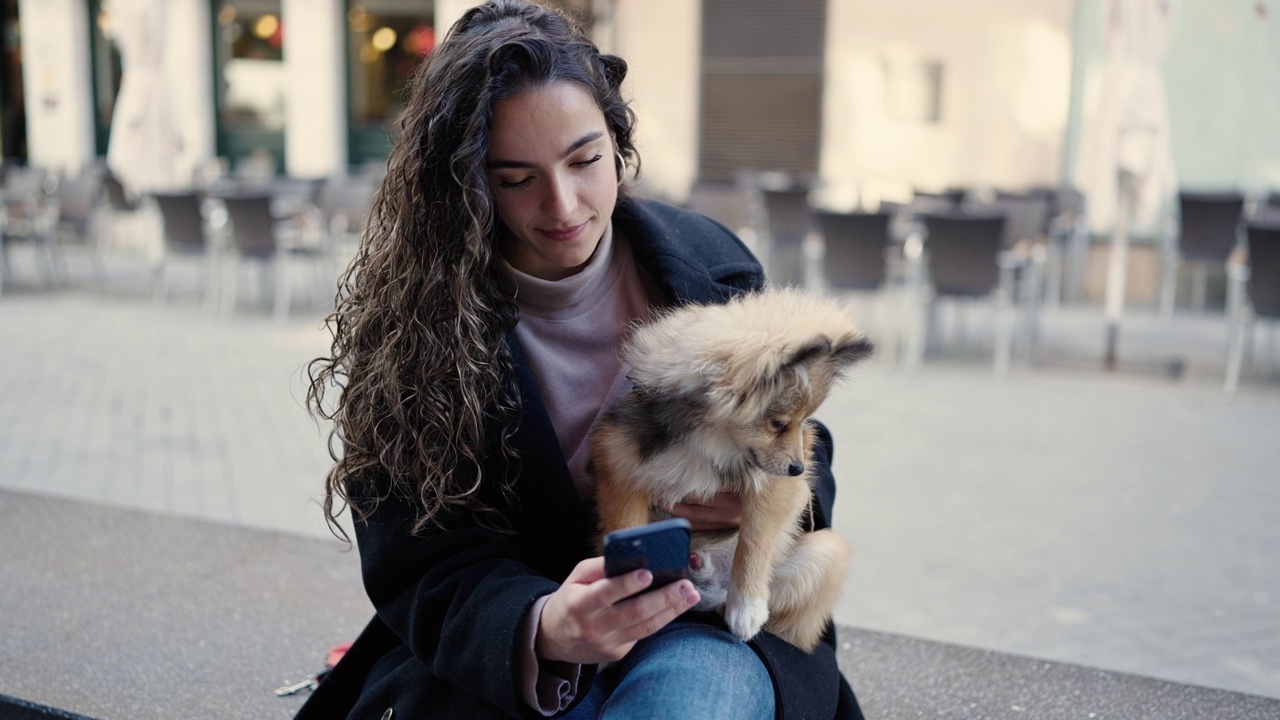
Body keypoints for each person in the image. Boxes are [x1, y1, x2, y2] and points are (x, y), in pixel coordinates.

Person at [300, 1, 865, 718]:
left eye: (584, 160)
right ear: (467, 183)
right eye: (514, 179)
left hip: (705, 623)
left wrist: (745, 497)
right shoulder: (414, 328)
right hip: (518, 654)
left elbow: (808, 458)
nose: (562, 205)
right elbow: (415, 564)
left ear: (617, 138)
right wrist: (545, 626)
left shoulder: (713, 267)